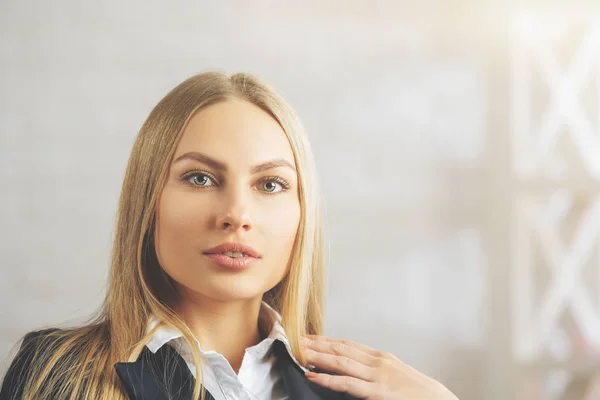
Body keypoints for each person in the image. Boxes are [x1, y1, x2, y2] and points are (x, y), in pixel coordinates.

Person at [0, 72, 458, 400]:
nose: (236, 215)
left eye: (271, 184)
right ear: (147, 201)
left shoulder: (361, 394)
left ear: (304, 217)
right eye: (200, 178)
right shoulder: (57, 373)